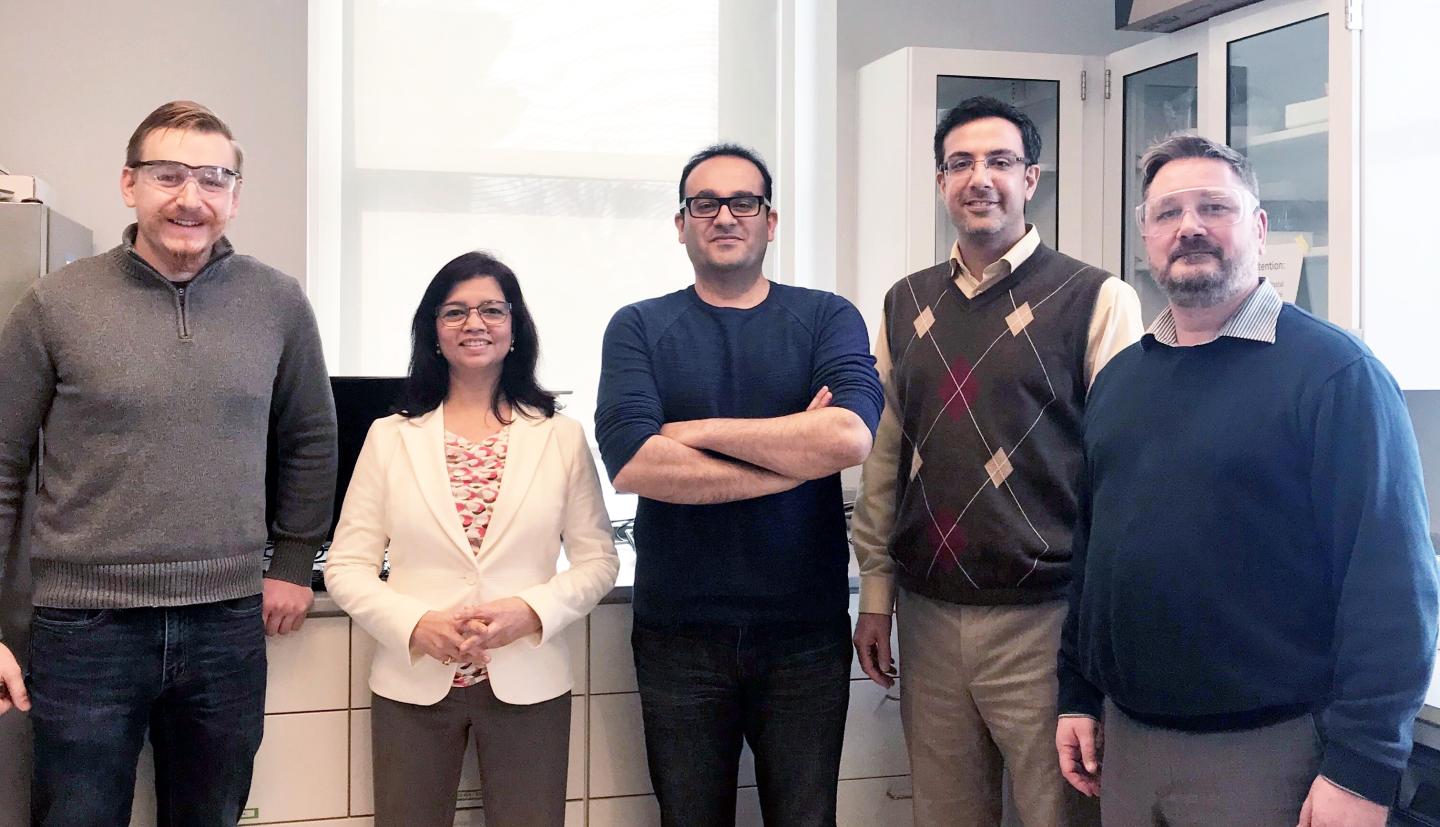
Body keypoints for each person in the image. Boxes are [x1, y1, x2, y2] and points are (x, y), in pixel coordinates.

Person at [1055, 133, 1439, 827]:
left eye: (1214, 207)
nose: (1190, 226)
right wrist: (1076, 691)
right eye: (1168, 212)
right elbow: (1094, 555)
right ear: (1146, 236)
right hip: (1129, 745)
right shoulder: (1120, 380)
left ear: (1258, 229)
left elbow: (1393, 585)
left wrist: (1363, 766)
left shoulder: (1335, 375)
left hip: (1270, 754)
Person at [0, 100, 338, 825]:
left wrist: (292, 559)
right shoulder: (55, 303)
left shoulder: (277, 302)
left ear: (235, 197)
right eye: (168, 175)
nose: (191, 197)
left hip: (226, 620)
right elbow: (0, 460)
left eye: (213, 179)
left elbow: (310, 436)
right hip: (84, 627)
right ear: (129, 185)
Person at [849, 95, 1141, 827]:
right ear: (942, 181)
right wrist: (876, 594)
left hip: (1047, 622)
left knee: (1061, 815)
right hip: (927, 616)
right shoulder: (904, 302)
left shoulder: (1098, 299)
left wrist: (1099, 634)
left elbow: (1127, 476)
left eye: (1001, 161)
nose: (980, 178)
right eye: (961, 163)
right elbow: (885, 459)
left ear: (1031, 177)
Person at [594, 143, 883, 826]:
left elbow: (847, 438)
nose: (725, 215)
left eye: (743, 201)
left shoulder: (826, 316)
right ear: (682, 222)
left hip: (804, 634)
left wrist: (689, 431)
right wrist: (791, 453)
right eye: (706, 203)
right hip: (679, 635)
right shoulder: (638, 326)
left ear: (771, 220)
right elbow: (635, 463)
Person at [325, 250, 619, 827]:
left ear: (515, 328)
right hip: (413, 681)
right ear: (433, 332)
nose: (474, 324)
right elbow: (346, 566)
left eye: (491, 309)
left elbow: (597, 561)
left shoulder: (559, 437)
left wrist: (530, 611)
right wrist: (414, 624)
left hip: (527, 679)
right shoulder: (390, 437)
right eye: (454, 312)